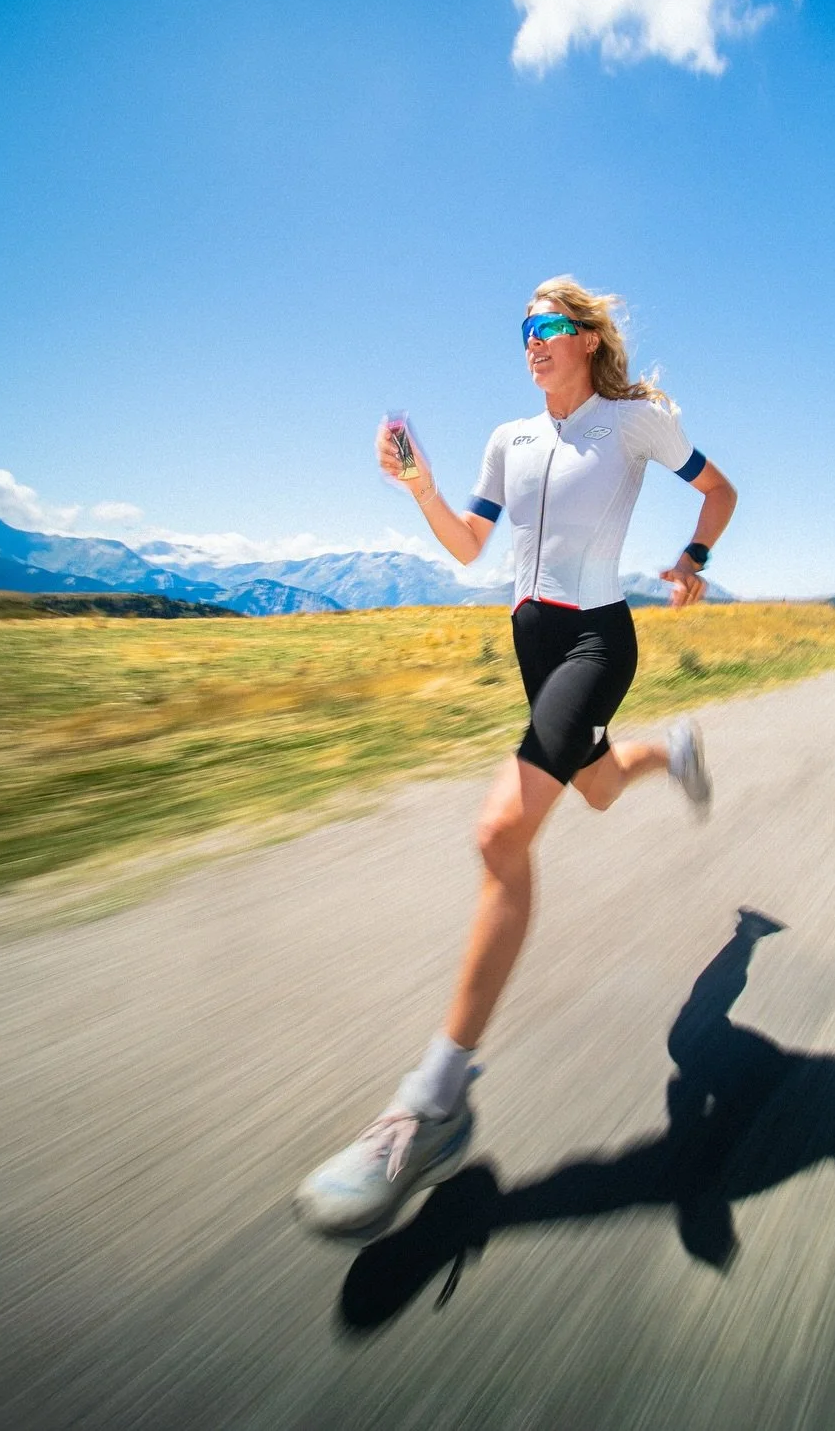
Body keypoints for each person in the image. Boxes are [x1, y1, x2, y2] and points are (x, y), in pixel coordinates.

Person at [295, 276, 738, 1241]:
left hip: (595, 641)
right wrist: (418, 485)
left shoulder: (635, 423)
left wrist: (693, 561)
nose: (530, 342)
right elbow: (466, 550)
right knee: (602, 789)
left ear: (584, 337)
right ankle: (672, 752)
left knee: (501, 833)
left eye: (545, 327)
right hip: (532, 646)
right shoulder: (509, 439)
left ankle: (433, 1103)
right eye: (521, 331)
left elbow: (718, 491)